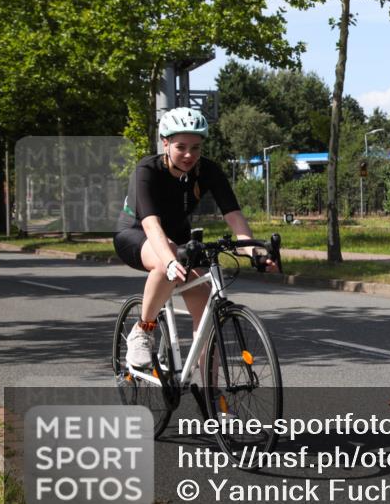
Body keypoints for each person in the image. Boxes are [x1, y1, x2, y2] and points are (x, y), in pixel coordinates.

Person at [113, 107, 277, 369]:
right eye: (181, 146)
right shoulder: (147, 170)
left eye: (196, 147)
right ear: (165, 143)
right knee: (168, 258)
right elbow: (152, 225)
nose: (189, 155)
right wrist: (168, 261)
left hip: (179, 238)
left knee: (205, 321)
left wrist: (254, 251)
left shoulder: (207, 170)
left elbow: (233, 215)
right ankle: (143, 329)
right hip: (136, 233)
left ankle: (213, 400)